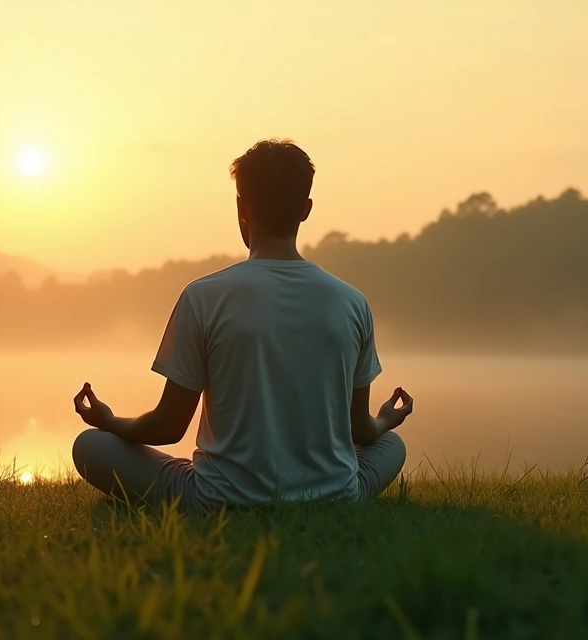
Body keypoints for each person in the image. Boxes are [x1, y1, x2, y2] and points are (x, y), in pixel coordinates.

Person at [70, 139, 412, 510]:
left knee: (90, 445)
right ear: (306, 209)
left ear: (242, 207)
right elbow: (359, 430)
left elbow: (168, 427)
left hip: (217, 499)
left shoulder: (203, 297)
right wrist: (384, 420)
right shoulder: (352, 302)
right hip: (334, 499)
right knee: (391, 444)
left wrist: (109, 420)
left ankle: (222, 480)